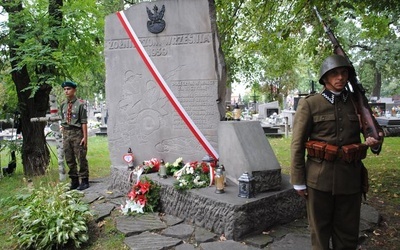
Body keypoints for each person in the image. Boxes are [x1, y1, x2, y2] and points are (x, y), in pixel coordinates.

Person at [290, 54, 383, 250]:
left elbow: (370, 133)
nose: (340, 78)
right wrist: (298, 181)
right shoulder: (310, 104)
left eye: (343, 73)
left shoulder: (356, 103)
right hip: (319, 181)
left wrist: (373, 142)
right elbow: (297, 144)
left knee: (348, 235)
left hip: (350, 180)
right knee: (320, 235)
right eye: (334, 74)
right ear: (325, 78)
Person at [60, 81, 90, 190]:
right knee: (69, 158)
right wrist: (63, 132)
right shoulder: (63, 105)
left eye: (69, 89)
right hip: (67, 134)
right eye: (65, 89)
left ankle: (84, 180)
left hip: (77, 133)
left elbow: (83, 122)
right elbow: (63, 120)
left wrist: (85, 137)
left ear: (74, 90)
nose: (66, 91)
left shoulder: (80, 104)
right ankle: (74, 180)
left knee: (81, 157)